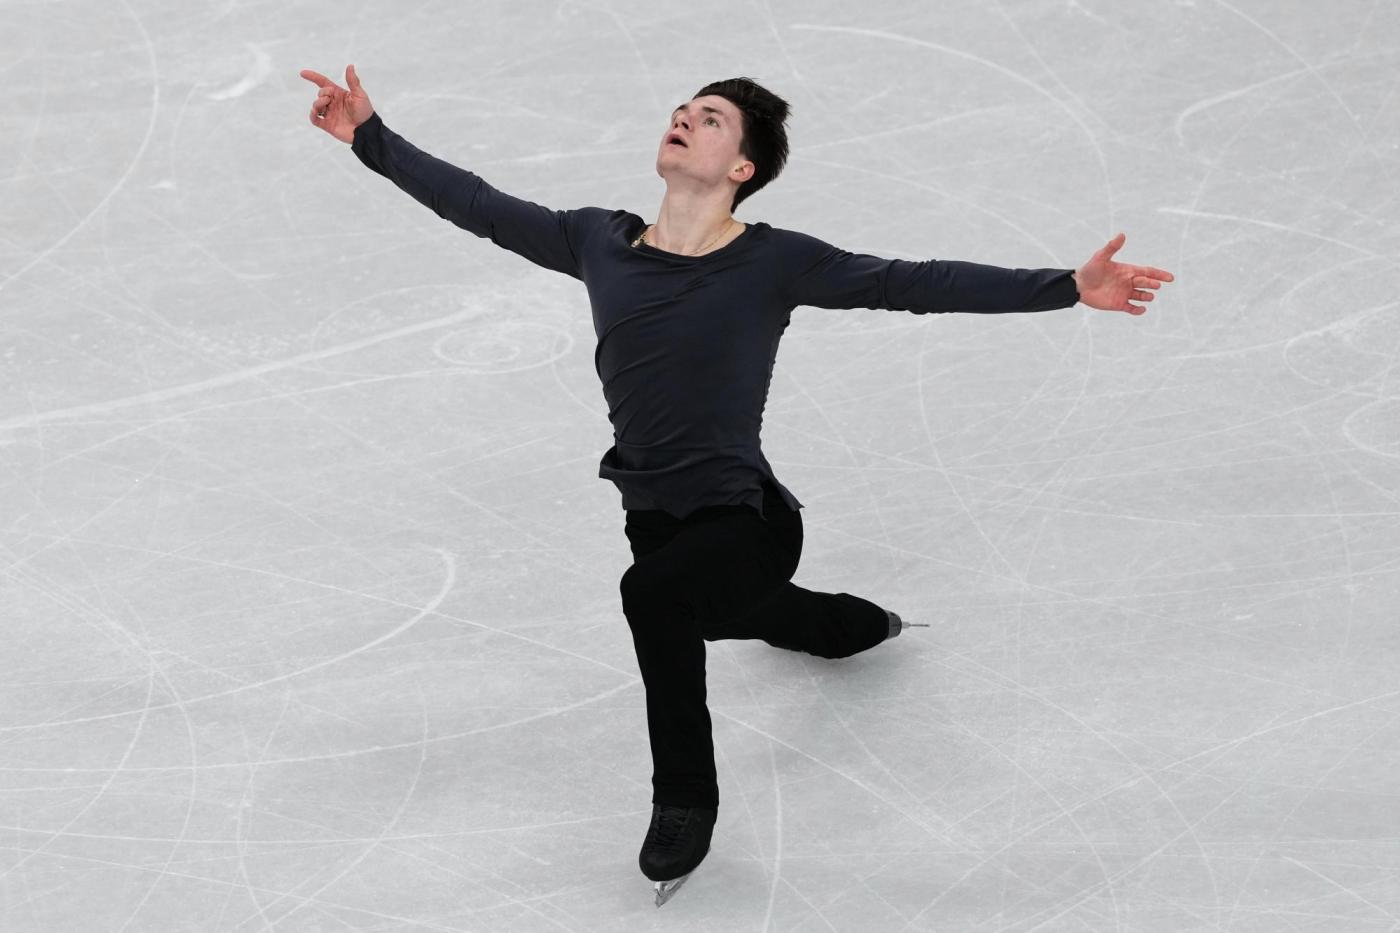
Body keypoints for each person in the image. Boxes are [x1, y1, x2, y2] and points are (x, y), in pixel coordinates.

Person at [299, 64, 1175, 906]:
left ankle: (686, 798)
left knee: (656, 596)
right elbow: (479, 205)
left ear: (742, 168)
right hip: (656, 520)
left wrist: (1068, 287)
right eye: (683, 109)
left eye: (710, 118)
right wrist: (369, 135)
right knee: (709, 606)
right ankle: (852, 623)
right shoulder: (597, 241)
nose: (684, 118)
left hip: (748, 519)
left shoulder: (772, 261)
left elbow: (911, 282)